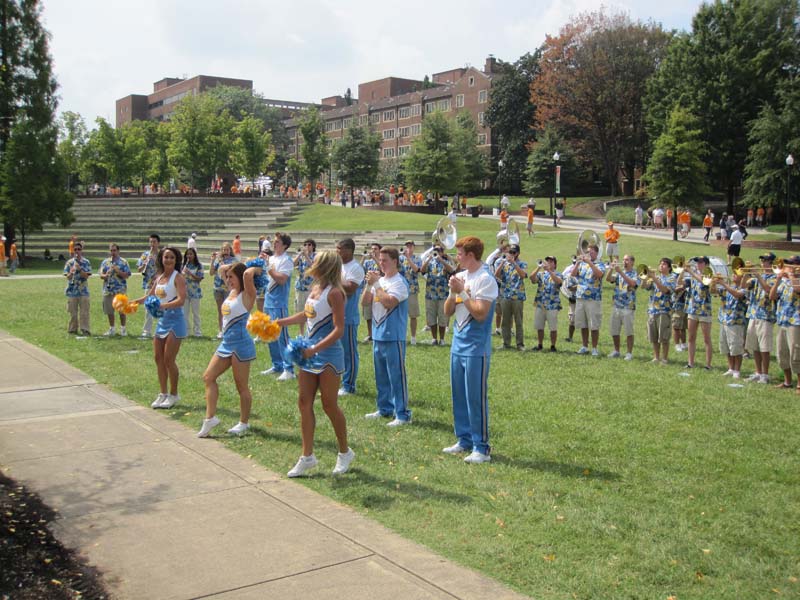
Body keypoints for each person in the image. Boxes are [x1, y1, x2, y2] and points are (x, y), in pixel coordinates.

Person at [276, 251, 354, 476]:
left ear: (325, 266)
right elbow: (306, 315)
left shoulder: (336, 293)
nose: (312, 264)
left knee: (329, 404)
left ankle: (344, 452)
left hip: (328, 355)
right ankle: (307, 456)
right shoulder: (315, 289)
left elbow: (339, 329)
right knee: (303, 402)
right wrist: (279, 322)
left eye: (317, 261)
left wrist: (315, 349)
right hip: (308, 355)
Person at [443, 236, 498, 464]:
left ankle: (481, 447)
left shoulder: (486, 279)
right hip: (458, 345)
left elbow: (480, 313)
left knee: (475, 397)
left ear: (471, 255)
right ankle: (463, 439)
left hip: (476, 347)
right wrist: (453, 292)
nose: (457, 258)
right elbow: (447, 312)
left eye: (460, 254)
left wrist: (463, 293)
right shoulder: (461, 277)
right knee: (459, 396)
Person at [197, 262, 259, 438]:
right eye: (228, 277)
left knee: (241, 386)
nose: (228, 279)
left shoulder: (247, 295)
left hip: (241, 344)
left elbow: (247, 274)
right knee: (208, 377)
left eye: (232, 277)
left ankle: (244, 423)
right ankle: (210, 419)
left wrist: (258, 266)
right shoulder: (231, 292)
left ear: (240, 278)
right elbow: (221, 269)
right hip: (226, 343)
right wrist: (229, 268)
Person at [362, 247, 411, 426]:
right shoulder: (380, 281)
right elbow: (364, 302)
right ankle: (384, 408)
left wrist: (376, 285)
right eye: (379, 260)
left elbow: (390, 302)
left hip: (394, 335)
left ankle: (402, 413)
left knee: (396, 375)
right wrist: (369, 284)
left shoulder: (400, 282)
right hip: (378, 334)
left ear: (395, 262)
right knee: (381, 374)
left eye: (385, 260)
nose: (381, 263)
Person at [135, 247, 187, 409]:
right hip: (162, 321)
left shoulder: (178, 278)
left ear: (176, 260)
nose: (169, 260)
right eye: (166, 257)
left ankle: (174, 394)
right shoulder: (159, 278)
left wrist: (162, 306)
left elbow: (181, 300)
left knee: (168, 360)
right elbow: (149, 296)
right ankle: (163, 393)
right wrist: (132, 302)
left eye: (172, 257)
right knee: (158, 358)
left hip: (175, 321)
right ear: (161, 259)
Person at [261, 232, 294, 381]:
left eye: (278, 242)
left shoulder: (287, 260)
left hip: (279, 303)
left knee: (282, 337)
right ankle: (277, 364)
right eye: (274, 241)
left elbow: (281, 280)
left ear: (285, 245)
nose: (274, 244)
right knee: (269, 335)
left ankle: (289, 369)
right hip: (268, 301)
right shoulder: (272, 259)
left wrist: (268, 267)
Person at [336, 238, 365, 397]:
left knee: (349, 352)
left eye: (339, 249)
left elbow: (350, 288)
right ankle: (338, 380)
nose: (337, 252)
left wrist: (333, 279)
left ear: (348, 250)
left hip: (348, 317)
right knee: (336, 351)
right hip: (335, 315)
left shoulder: (356, 268)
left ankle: (349, 385)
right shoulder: (339, 266)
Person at [743, 253, 777, 384]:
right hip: (753, 313)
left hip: (766, 316)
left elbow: (769, 290)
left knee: (764, 347)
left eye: (766, 261)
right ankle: (758, 372)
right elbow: (743, 286)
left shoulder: (775, 277)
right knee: (755, 346)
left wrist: (757, 275)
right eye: (762, 260)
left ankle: (765, 374)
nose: (763, 263)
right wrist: (746, 271)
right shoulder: (758, 277)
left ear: (772, 263)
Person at [769, 256, 800, 392]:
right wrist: (778, 280)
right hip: (782, 320)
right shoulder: (783, 281)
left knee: (796, 352)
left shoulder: (796, 280)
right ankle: (787, 381)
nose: (787, 266)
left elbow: (797, 289)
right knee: (782, 352)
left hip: (795, 322)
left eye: (790, 264)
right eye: (786, 263)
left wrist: (792, 275)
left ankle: (799, 383)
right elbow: (772, 296)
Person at [573, 244, 607, 356]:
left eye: (591, 252)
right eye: (588, 252)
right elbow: (573, 275)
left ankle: (595, 348)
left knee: (594, 324)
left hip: (593, 298)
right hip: (580, 297)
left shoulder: (600, 264)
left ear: (596, 253)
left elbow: (599, 274)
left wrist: (590, 263)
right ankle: (584, 346)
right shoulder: (582, 264)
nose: (589, 254)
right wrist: (577, 262)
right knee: (583, 324)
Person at [494, 244, 527, 350]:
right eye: (510, 252)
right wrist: (503, 262)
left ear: (517, 253)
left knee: (518, 321)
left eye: (513, 252)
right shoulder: (503, 264)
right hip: (505, 296)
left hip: (517, 296)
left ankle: (520, 344)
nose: (511, 254)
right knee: (505, 321)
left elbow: (523, 275)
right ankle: (506, 343)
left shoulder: (522, 264)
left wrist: (514, 263)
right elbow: (496, 275)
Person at [606, 254, 639, 360]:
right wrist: (611, 269)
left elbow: (633, 284)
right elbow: (608, 279)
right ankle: (616, 350)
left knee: (628, 331)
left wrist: (620, 272)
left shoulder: (635, 273)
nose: (625, 262)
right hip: (616, 305)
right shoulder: (619, 273)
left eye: (627, 260)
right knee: (614, 330)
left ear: (632, 262)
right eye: (624, 260)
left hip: (628, 306)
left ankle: (629, 353)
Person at [643, 258, 675, 364]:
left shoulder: (671, 278)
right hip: (653, 310)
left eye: (664, 264)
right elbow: (644, 287)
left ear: (669, 267)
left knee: (664, 336)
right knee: (654, 336)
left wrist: (654, 279)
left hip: (664, 310)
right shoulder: (655, 277)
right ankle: (656, 357)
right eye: (660, 264)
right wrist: (645, 277)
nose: (661, 266)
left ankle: (664, 358)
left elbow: (665, 290)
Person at [715, 270, 747, 379]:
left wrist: (723, 283)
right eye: (732, 273)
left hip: (736, 321)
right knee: (726, 346)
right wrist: (713, 282)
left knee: (736, 347)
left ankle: (737, 370)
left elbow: (737, 295)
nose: (733, 275)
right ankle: (731, 368)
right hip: (724, 319)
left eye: (736, 274)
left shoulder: (745, 288)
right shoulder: (728, 287)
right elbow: (713, 291)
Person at [421, 243, 456, 345]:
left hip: (443, 294)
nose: (437, 252)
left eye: (439, 251)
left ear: (442, 252)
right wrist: (428, 259)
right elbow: (422, 271)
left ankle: (442, 339)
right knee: (431, 317)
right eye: (435, 251)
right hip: (430, 294)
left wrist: (441, 260)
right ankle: (434, 339)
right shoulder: (429, 262)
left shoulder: (446, 261)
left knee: (442, 317)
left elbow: (452, 270)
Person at [683, 256, 713, 369]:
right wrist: (683, 271)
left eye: (701, 263)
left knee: (706, 338)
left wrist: (690, 271)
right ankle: (690, 362)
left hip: (704, 309)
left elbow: (704, 282)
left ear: (706, 264)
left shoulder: (709, 274)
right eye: (697, 263)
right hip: (693, 308)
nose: (698, 265)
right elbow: (679, 282)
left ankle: (708, 364)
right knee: (691, 337)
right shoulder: (693, 274)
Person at [530, 256, 562, 352]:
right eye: (547, 261)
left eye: (551, 261)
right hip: (540, 304)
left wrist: (549, 271)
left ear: (555, 264)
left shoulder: (558, 274)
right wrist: (539, 267)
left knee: (553, 327)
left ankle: (553, 346)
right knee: (539, 326)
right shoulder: (541, 274)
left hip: (552, 305)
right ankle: (540, 344)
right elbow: (532, 278)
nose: (548, 262)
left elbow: (559, 282)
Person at [100, 243, 131, 336]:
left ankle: (123, 329)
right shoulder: (105, 262)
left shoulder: (124, 262)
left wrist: (118, 271)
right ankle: (112, 329)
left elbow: (127, 275)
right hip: (108, 289)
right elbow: (101, 275)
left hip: (120, 290)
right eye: (111, 250)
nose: (112, 252)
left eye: (114, 250)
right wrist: (106, 275)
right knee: (109, 311)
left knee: (122, 311)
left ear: (118, 251)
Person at [209, 242, 237, 339]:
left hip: (228, 288)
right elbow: (211, 273)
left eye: (227, 249)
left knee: (228, 309)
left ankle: (229, 329)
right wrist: (212, 261)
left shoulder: (233, 260)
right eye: (224, 249)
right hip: (217, 288)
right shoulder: (218, 260)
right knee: (220, 310)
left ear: (230, 250)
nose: (225, 251)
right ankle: (221, 330)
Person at [63, 242, 92, 335]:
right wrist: (71, 272)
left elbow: (86, 276)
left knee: (84, 312)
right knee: (73, 313)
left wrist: (79, 269)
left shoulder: (86, 262)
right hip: (72, 291)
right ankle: (72, 329)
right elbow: (67, 277)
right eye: (75, 250)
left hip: (83, 291)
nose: (77, 251)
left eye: (79, 249)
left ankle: (85, 329)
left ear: (81, 250)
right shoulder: (69, 263)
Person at [137, 234, 161, 338]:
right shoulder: (145, 254)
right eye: (150, 242)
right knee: (148, 307)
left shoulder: (162, 254)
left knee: (161, 306)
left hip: (160, 284)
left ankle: (161, 330)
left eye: (154, 242)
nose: (152, 244)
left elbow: (166, 268)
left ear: (158, 243)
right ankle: (147, 331)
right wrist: (145, 263)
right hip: (148, 283)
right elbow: (139, 269)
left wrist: (156, 261)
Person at [400, 241, 422, 345]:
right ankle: (402, 336)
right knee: (400, 314)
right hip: (401, 289)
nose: (408, 248)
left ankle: (413, 337)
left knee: (413, 315)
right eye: (407, 246)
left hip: (412, 289)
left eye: (410, 246)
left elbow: (417, 270)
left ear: (414, 247)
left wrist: (408, 258)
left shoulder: (417, 259)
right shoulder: (400, 258)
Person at [294, 239, 317, 337]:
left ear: (313, 246)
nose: (307, 246)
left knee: (310, 309)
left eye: (309, 244)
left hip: (310, 287)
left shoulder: (316, 256)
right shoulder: (301, 257)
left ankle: (310, 330)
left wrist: (306, 256)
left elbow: (313, 266)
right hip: (300, 286)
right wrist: (300, 255)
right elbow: (293, 264)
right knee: (300, 310)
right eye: (305, 244)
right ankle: (301, 332)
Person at [360, 243, 381, 342]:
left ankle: (378, 333)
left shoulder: (382, 261)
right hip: (368, 289)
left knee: (378, 312)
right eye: (372, 249)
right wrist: (363, 258)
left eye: (375, 249)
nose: (373, 250)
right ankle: (370, 334)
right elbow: (359, 270)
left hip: (378, 289)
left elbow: (382, 269)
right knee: (368, 313)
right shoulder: (367, 262)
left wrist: (375, 259)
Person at [182, 247, 204, 337]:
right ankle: (186, 331)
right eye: (188, 254)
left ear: (194, 255)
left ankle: (197, 332)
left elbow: (199, 279)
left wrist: (189, 273)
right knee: (185, 313)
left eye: (191, 254)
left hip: (195, 292)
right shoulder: (183, 265)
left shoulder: (199, 265)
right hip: (185, 292)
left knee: (196, 313)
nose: (189, 256)